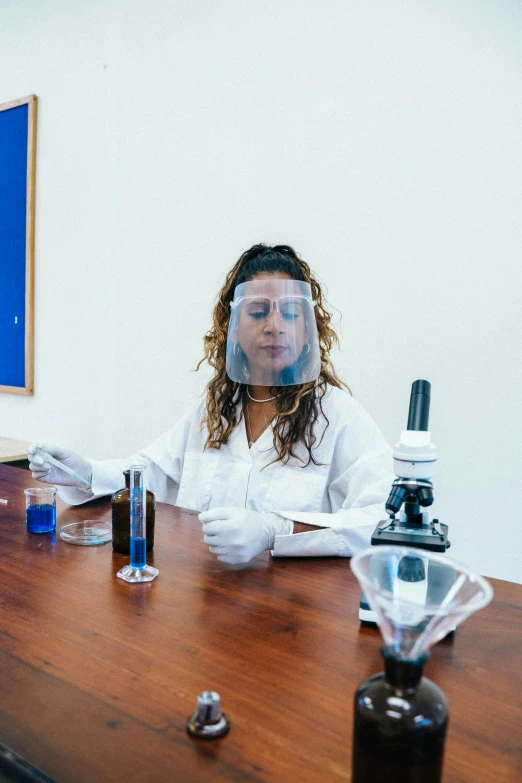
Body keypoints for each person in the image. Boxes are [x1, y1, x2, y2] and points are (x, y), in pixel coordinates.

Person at [28, 244, 393, 564]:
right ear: (232, 325)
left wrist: (275, 530)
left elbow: (382, 522)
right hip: (203, 606)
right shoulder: (216, 408)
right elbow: (150, 472)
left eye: (291, 313)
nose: (275, 325)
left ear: (308, 327)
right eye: (257, 311)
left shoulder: (338, 417)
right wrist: (85, 474)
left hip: (293, 618)